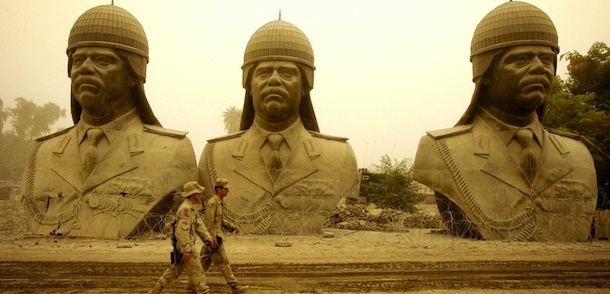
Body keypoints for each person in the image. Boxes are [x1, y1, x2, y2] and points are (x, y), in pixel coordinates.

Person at [413, 1, 597, 242]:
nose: (539, 68)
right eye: (520, 60)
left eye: (547, 59)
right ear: (485, 73)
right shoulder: (439, 149)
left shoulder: (578, 154)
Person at [20, 4, 198, 238]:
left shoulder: (173, 150)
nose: (85, 68)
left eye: (103, 61)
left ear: (133, 75)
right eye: (78, 60)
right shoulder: (42, 153)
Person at [198, 19, 359, 234]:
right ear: (249, 85)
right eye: (263, 73)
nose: (274, 80)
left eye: (287, 73)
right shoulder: (214, 155)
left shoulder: (340, 155)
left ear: (305, 85)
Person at [148, 181, 215, 294]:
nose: (200, 194)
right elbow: (182, 231)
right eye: (198, 192)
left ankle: (157, 289)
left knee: (176, 268)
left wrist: (208, 240)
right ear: (193, 194)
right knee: (198, 272)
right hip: (186, 245)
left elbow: (199, 226)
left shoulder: (192, 208)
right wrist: (186, 249)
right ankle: (203, 291)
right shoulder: (186, 210)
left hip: (185, 245)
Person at [185, 178, 248, 293]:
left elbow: (219, 221)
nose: (228, 191)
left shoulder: (219, 202)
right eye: (225, 188)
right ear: (219, 189)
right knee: (223, 262)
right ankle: (235, 287)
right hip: (213, 239)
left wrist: (231, 226)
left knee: (203, 264)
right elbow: (208, 224)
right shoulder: (212, 203)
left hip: (212, 238)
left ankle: (192, 286)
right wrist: (211, 241)